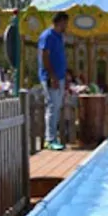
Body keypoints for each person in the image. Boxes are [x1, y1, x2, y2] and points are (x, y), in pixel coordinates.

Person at [38, 12, 69, 151]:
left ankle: (53, 137)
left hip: (60, 77)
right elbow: (45, 56)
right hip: (51, 77)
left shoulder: (59, 37)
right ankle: (49, 139)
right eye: (65, 23)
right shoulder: (48, 36)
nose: (66, 26)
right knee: (52, 107)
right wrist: (52, 76)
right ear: (59, 22)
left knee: (56, 107)